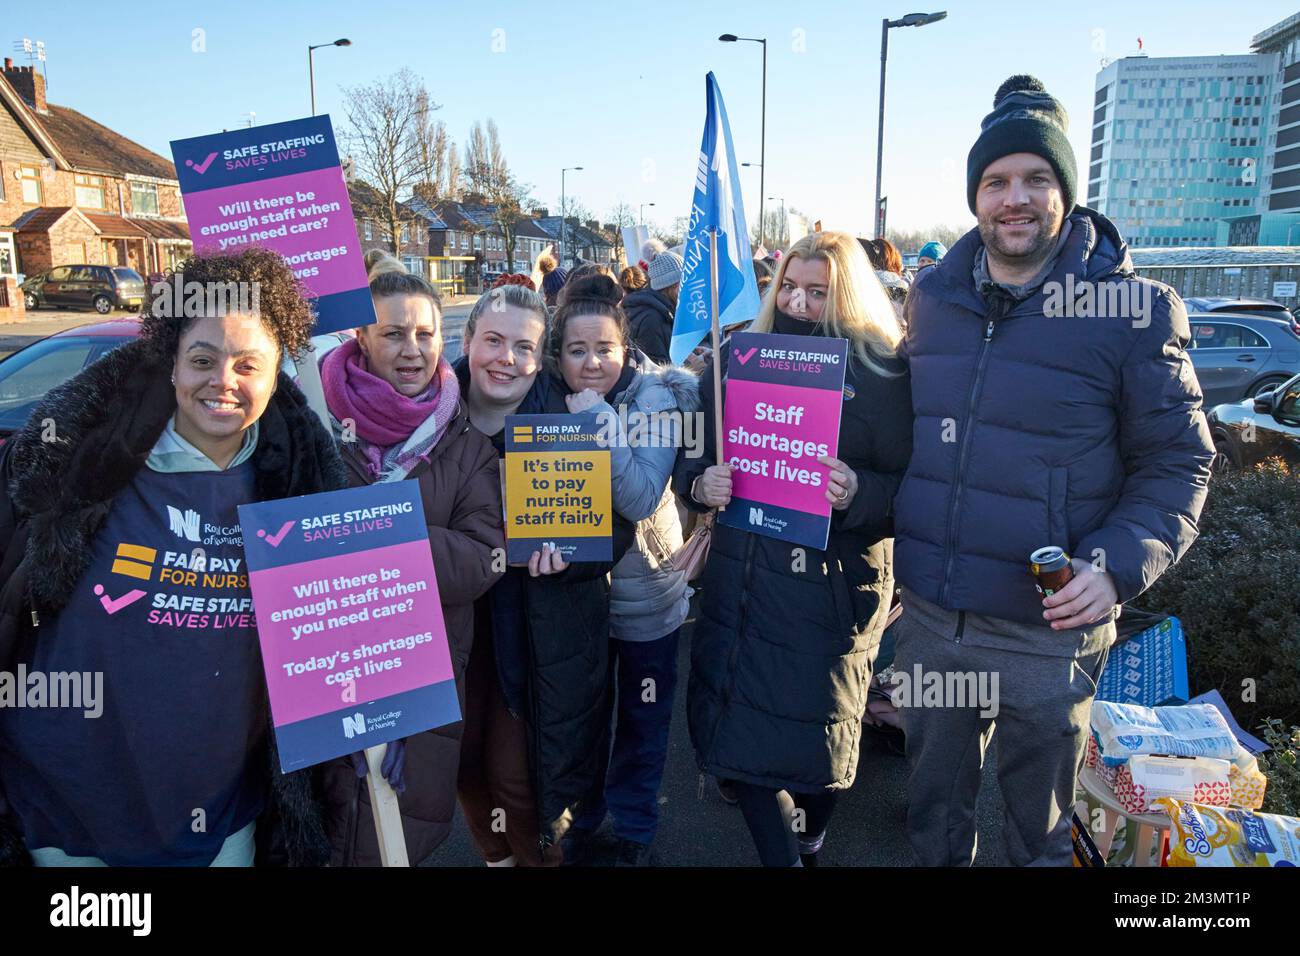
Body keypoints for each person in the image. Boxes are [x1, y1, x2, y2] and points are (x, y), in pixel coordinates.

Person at [893, 75, 1214, 867]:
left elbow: (1180, 460)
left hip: (1049, 636)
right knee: (931, 820)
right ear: (974, 196)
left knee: (1035, 838)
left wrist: (1113, 567)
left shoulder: (1132, 310)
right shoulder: (933, 298)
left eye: (1037, 178)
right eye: (996, 181)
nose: (1015, 198)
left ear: (1065, 192)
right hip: (934, 623)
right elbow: (899, 437)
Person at [0, 248, 345, 866]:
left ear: (277, 374)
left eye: (249, 364)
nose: (224, 382)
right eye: (203, 360)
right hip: (68, 804)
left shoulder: (301, 488)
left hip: (218, 810)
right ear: (172, 365)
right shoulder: (80, 463)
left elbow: (347, 629)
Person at [674, 231, 913, 866]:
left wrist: (859, 491)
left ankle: (810, 840)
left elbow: (911, 487)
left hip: (831, 589)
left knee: (820, 745)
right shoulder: (737, 361)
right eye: (790, 288)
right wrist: (701, 482)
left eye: (818, 291)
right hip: (746, 582)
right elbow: (691, 457)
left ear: (848, 294)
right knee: (743, 740)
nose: (801, 303)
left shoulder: (884, 372)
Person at [315, 254, 504, 866]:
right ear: (362, 340)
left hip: (419, 682)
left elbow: (484, 559)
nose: (413, 349)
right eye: (393, 333)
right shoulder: (313, 427)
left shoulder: (465, 442)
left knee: (395, 841)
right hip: (322, 677)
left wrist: (383, 531)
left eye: (425, 334)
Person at [453, 282, 636, 866]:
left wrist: (569, 561)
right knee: (460, 764)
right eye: (493, 341)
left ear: (542, 356)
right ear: (468, 341)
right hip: (451, 624)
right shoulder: (430, 414)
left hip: (532, 627)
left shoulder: (568, 416)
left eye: (524, 347)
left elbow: (613, 531)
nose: (506, 358)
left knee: (517, 780)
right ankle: (496, 857)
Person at [548, 274, 699, 866]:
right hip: (574, 594)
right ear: (557, 354)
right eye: (577, 351)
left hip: (645, 592)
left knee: (642, 715)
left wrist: (596, 426)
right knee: (583, 718)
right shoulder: (546, 397)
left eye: (604, 349)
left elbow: (638, 496)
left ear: (624, 347)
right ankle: (581, 818)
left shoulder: (656, 399)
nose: (591, 364)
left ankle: (634, 825)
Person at [623, 251, 683, 366]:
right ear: (673, 286)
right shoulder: (652, 318)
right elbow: (657, 367)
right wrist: (690, 365)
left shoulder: (664, 310)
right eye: (682, 284)